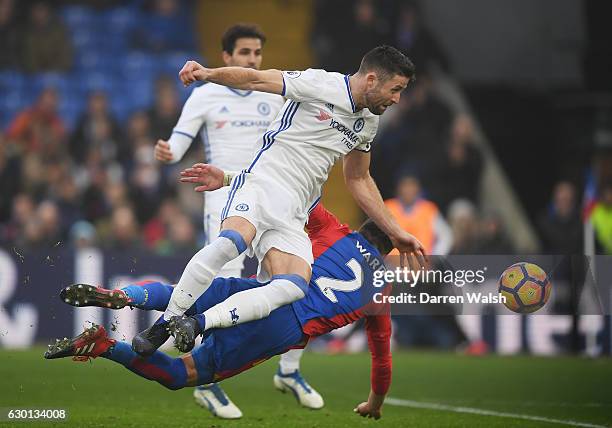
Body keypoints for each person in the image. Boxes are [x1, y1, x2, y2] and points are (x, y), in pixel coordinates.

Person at [134, 45, 425, 363]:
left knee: (293, 287)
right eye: (395, 89)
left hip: (294, 212)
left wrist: (394, 232)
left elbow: (358, 179)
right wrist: (207, 74)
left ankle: (196, 323)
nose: (397, 99)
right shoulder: (320, 84)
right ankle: (167, 322)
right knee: (231, 243)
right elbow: (256, 80)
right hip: (261, 184)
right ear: (371, 80)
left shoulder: (368, 122)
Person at [47, 203, 393, 420]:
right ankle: (104, 345)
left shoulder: (335, 230)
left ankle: (124, 295)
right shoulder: (381, 291)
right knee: (182, 374)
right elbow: (382, 361)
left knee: (179, 295)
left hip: (265, 291)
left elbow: (296, 194)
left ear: (364, 226)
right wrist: (374, 404)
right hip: (283, 327)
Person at [152, 24, 318, 416]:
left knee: (279, 288)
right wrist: (167, 152)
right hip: (225, 197)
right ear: (226, 57)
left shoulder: (274, 97)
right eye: (245, 53)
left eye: (257, 53)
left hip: (273, 199)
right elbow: (178, 145)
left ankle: (289, 369)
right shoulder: (206, 95)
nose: (252, 60)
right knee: (223, 283)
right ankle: (205, 380)